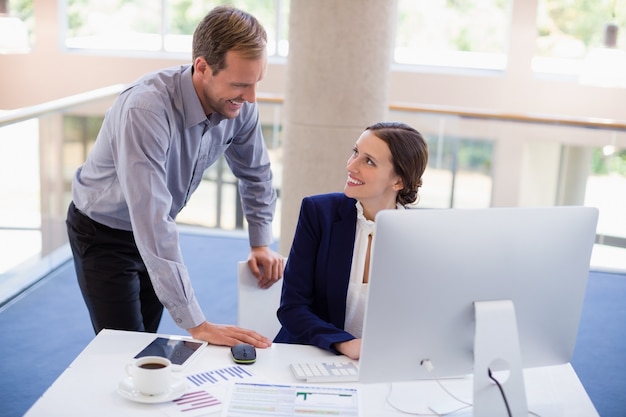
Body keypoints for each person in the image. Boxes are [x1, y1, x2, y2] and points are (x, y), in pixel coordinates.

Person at [65, 6, 284, 348]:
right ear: (202, 67)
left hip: (155, 226)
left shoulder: (241, 106)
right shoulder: (146, 110)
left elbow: (256, 173)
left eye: (256, 83)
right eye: (240, 84)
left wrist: (260, 243)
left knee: (145, 343)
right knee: (124, 348)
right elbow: (151, 218)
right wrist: (198, 324)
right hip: (103, 232)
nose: (251, 98)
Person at [274, 122, 429, 360]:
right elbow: (292, 308)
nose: (351, 165)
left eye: (368, 161)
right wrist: (345, 344)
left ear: (398, 181)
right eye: (355, 152)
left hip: (384, 362)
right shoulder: (319, 213)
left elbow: (424, 317)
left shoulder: (420, 235)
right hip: (312, 356)